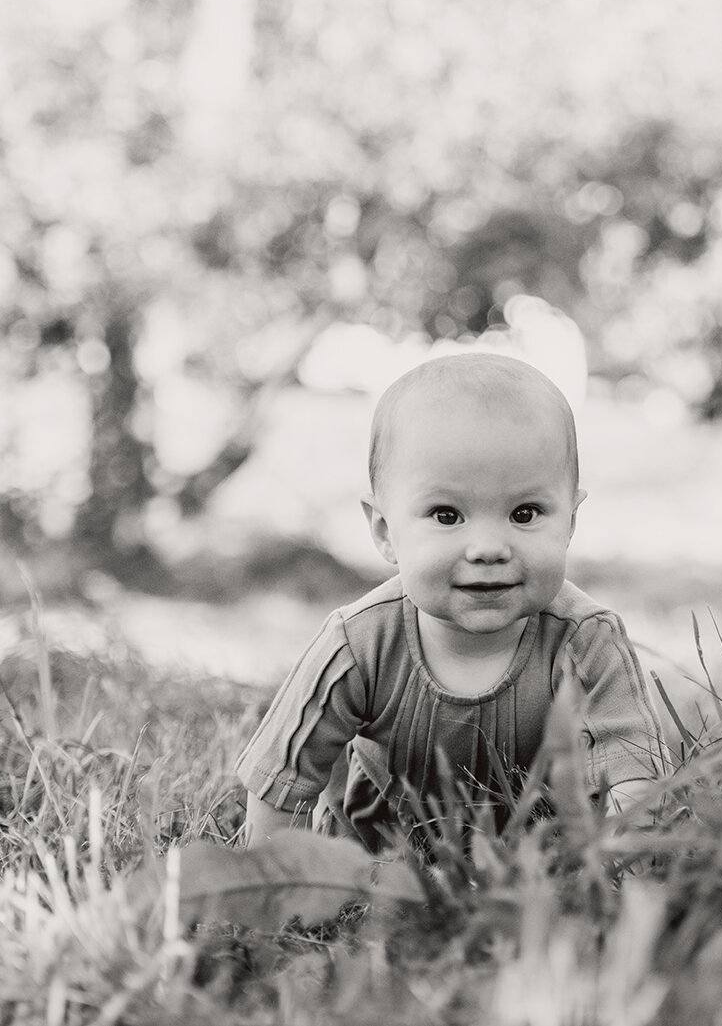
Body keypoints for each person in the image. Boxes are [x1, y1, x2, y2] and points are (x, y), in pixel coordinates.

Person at [235, 353, 661, 854]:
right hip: (379, 852)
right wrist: (271, 879)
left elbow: (636, 772)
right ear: (384, 531)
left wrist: (624, 874)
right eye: (446, 514)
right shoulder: (359, 643)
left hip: (539, 857)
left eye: (524, 513)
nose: (487, 547)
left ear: (570, 521)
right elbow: (284, 771)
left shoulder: (585, 641)